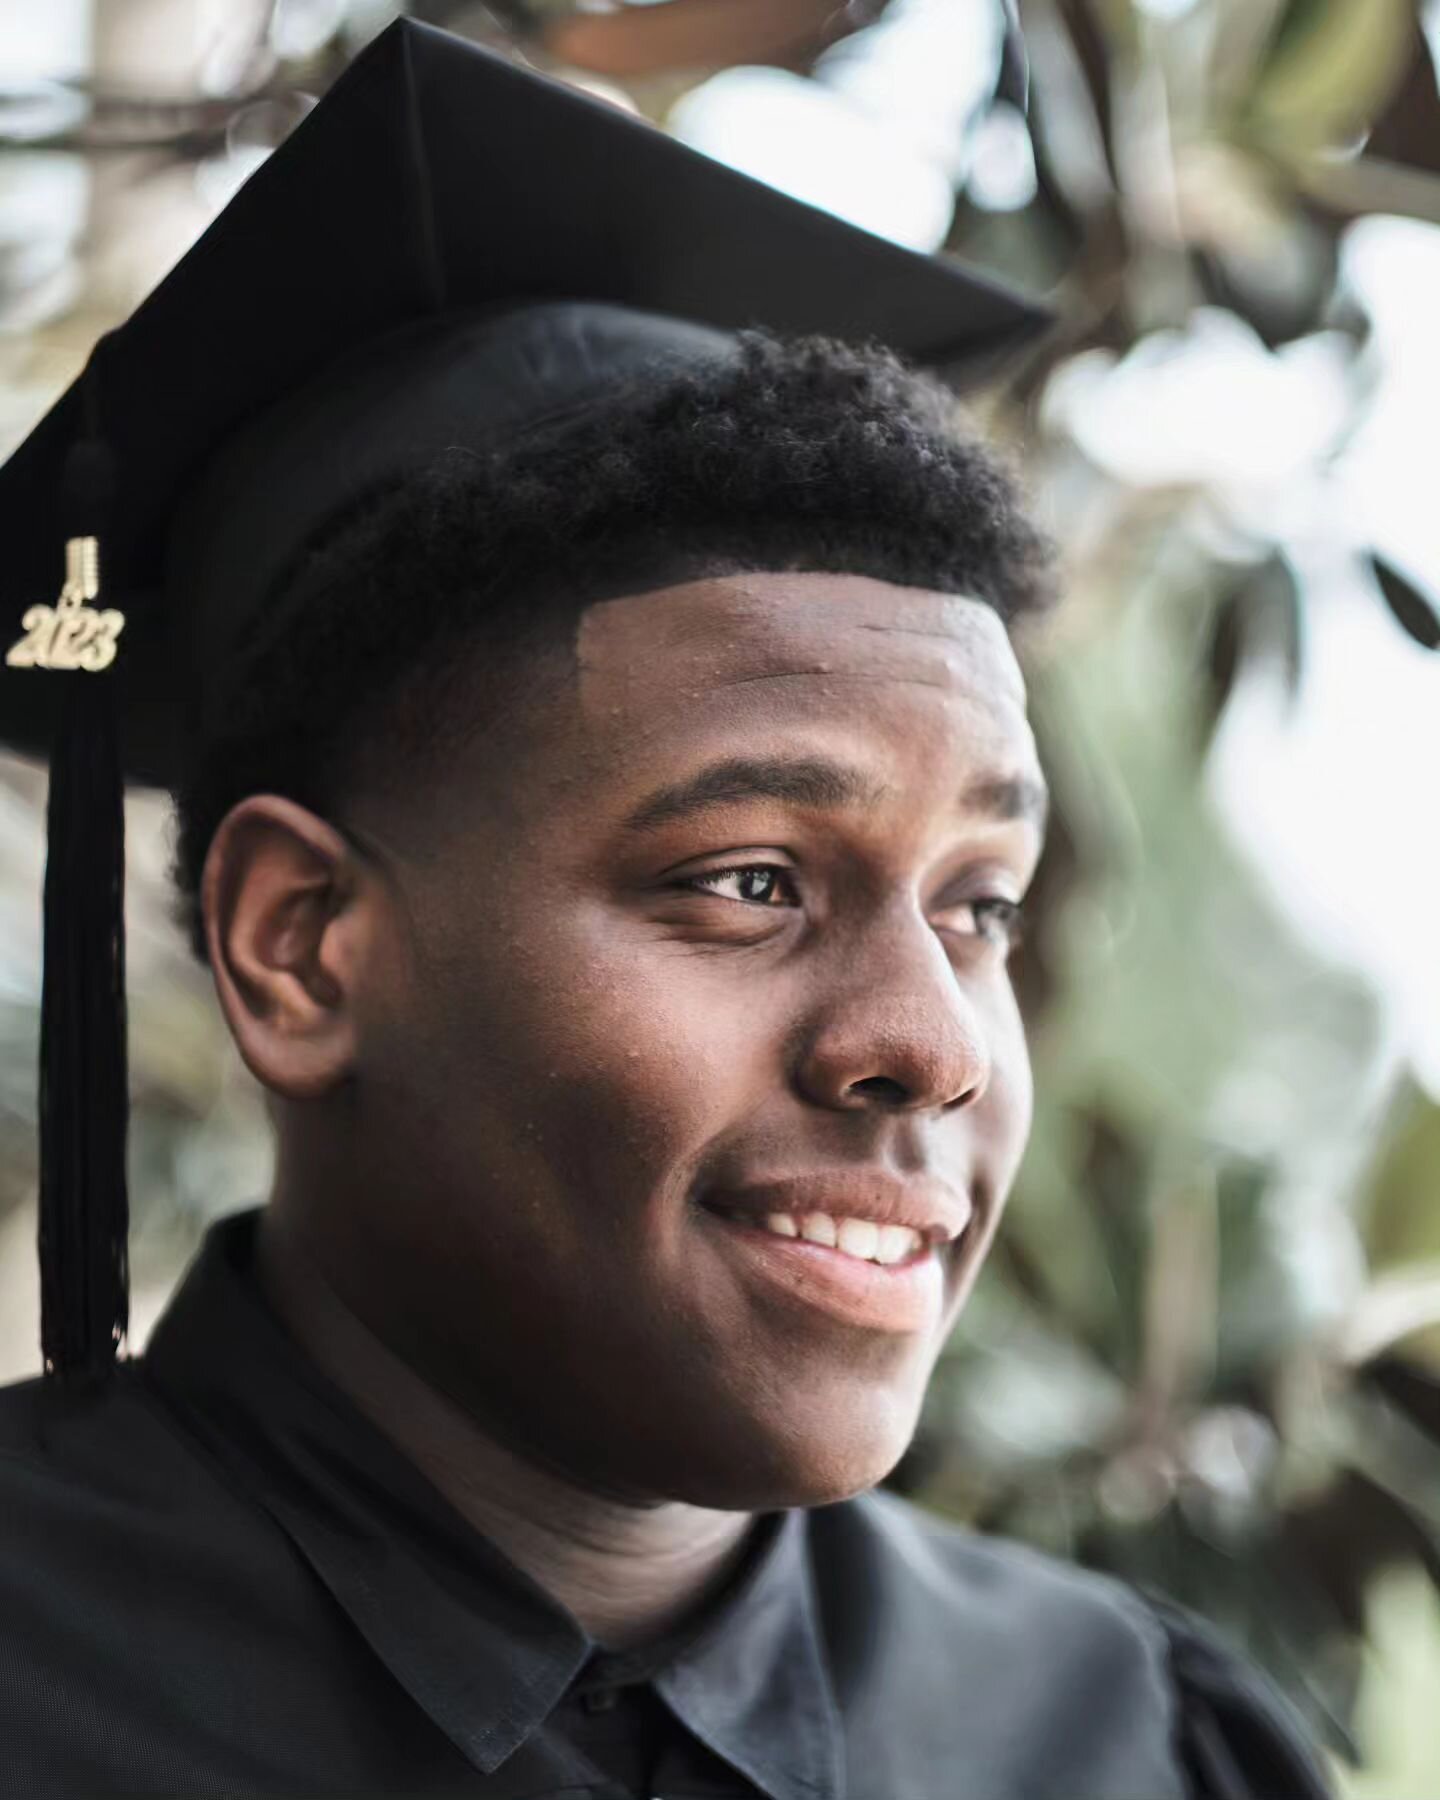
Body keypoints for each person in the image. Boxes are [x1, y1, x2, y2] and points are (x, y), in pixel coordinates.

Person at [0, 18, 1331, 1798]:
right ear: (301, 945)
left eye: (981, 903)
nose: (931, 1044)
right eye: (752, 882)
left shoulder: (1117, 1736)